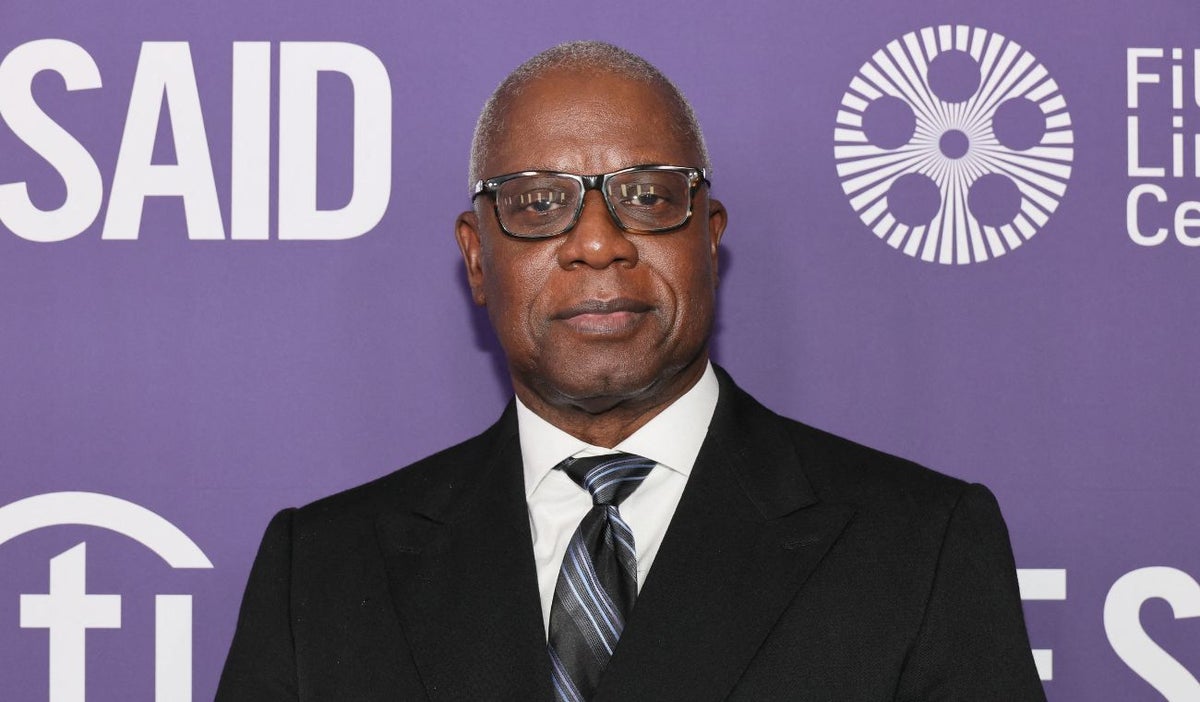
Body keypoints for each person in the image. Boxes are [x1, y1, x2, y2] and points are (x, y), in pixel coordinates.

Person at [217, 41, 1046, 701]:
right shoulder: (321, 571)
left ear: (709, 238)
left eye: (647, 196)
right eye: (538, 202)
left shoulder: (921, 547)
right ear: (476, 258)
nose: (597, 241)